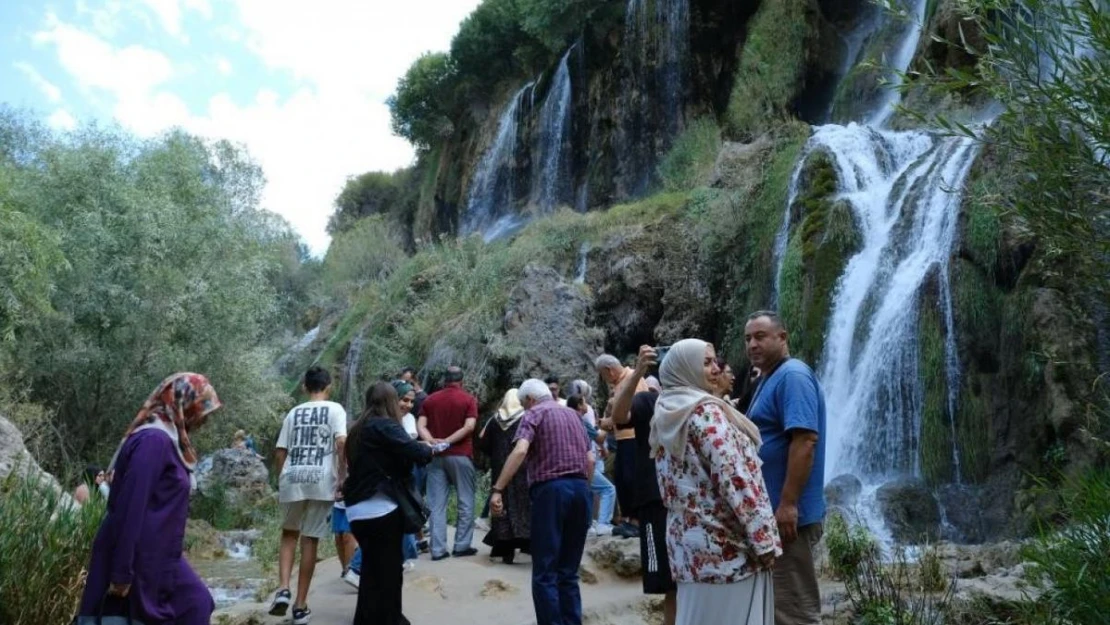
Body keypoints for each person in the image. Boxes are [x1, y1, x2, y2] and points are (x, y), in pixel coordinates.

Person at [650, 339, 781, 625]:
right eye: (705, 362)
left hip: (688, 549)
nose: (714, 368)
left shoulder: (667, 412)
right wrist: (764, 540)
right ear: (684, 368)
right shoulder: (706, 413)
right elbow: (736, 479)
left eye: (714, 362)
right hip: (727, 549)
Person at [77, 373, 222, 625]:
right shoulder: (153, 441)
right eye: (200, 412)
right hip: (139, 556)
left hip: (160, 554)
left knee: (196, 603)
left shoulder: (168, 440)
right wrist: (121, 572)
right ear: (181, 404)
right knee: (189, 606)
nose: (202, 422)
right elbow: (130, 506)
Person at [744, 312, 827, 625]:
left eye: (761, 336)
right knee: (779, 608)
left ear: (782, 337)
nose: (753, 344)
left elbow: (805, 440)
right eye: (748, 338)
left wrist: (789, 503)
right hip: (774, 515)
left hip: (789, 519)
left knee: (794, 612)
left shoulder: (792, 375)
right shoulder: (770, 378)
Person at [491, 379, 593, 625]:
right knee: (568, 571)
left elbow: (520, 450)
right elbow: (590, 459)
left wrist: (498, 489)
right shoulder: (574, 415)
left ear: (529, 400)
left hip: (551, 491)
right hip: (580, 489)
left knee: (545, 570)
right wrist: (584, 490)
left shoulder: (534, 414)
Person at [344, 381, 439, 625]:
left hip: (355, 511)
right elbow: (416, 453)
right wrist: (430, 449)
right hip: (381, 510)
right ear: (390, 401)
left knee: (371, 574)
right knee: (389, 574)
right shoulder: (385, 425)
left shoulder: (356, 429)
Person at [270, 366, 348, 624]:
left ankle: (283, 589)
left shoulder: (294, 412)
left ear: (304, 387)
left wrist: (283, 478)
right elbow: (341, 443)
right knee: (310, 539)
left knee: (289, 533)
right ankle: (300, 605)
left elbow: (280, 451)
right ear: (329, 386)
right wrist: (342, 477)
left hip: (293, 477)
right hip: (321, 480)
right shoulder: (335, 409)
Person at [610, 347, 676, 625]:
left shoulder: (705, 404)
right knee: (669, 582)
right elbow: (619, 415)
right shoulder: (649, 401)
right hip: (655, 499)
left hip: (688, 503)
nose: (715, 369)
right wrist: (637, 372)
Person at [417, 365, 479, 560]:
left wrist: (431, 441)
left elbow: (421, 425)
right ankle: (461, 546)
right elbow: (469, 427)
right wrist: (449, 441)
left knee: (436, 504)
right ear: (462, 381)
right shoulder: (468, 399)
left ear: (444, 380)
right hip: (461, 455)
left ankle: (438, 550)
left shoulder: (430, 399)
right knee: (465, 500)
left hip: (436, 457)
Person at [477, 389, 532, 563]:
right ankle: (525, 543)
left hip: (499, 468)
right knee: (522, 504)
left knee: (501, 506)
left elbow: (483, 443)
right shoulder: (526, 418)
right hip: (521, 468)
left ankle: (504, 548)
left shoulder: (494, 420)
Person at [595, 354, 646, 538]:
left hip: (634, 437)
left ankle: (637, 521)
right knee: (622, 479)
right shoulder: (617, 385)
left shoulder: (633, 378)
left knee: (632, 478)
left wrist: (607, 421)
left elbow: (636, 410)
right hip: (621, 438)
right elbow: (617, 417)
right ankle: (627, 519)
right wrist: (606, 422)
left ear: (608, 370)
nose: (604, 379)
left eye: (603, 374)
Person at [567, 393, 616, 537]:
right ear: (579, 405)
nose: (586, 405)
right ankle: (603, 524)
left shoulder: (566, 419)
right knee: (609, 489)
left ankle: (587, 523)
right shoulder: (580, 421)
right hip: (583, 464)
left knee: (585, 493)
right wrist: (608, 422)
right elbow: (599, 437)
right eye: (584, 403)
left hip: (569, 464)